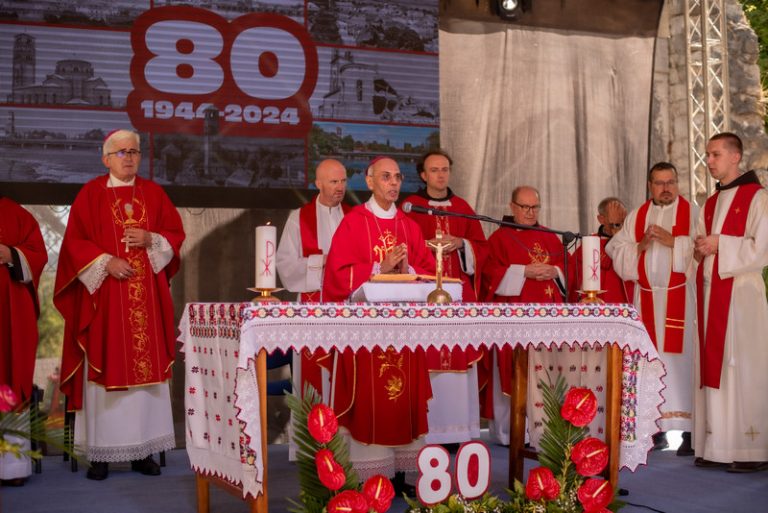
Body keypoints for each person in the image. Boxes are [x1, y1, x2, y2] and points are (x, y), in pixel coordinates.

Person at [54, 129, 185, 481]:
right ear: (106, 158)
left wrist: (151, 238)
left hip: (146, 300)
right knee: (105, 369)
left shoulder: (153, 193)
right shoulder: (91, 194)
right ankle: (101, 455)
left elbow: (175, 235)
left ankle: (143, 453)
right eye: (122, 152)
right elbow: (73, 244)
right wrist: (105, 262)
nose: (129, 157)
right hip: (106, 303)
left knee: (145, 381)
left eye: (135, 152)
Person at [322, 156, 435, 489]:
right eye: (385, 177)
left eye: (398, 177)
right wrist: (379, 267)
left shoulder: (409, 226)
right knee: (372, 399)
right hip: (367, 335)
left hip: (404, 333)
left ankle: (403, 471)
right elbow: (337, 275)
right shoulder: (354, 222)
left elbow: (428, 272)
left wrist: (409, 272)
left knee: (403, 398)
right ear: (369, 182)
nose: (393, 183)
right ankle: (371, 472)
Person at [606, 162, 696, 455]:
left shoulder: (693, 213)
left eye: (671, 182)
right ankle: (654, 429)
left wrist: (675, 243)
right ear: (650, 185)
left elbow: (703, 248)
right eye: (659, 183)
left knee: (682, 364)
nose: (666, 188)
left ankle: (689, 433)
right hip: (645, 300)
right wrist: (640, 246)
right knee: (647, 363)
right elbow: (615, 249)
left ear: (678, 182)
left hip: (681, 299)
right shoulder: (637, 216)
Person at [693, 132, 768, 472]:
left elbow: (761, 248)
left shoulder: (758, 198)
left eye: (715, 154)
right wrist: (701, 249)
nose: (709, 161)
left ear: (735, 156)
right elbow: (701, 248)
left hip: (741, 295)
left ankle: (750, 450)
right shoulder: (709, 203)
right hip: (713, 294)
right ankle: (717, 445)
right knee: (717, 367)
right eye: (707, 155)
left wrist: (719, 243)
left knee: (743, 368)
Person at [402, 149, 486, 446]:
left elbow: (482, 247)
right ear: (423, 175)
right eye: (434, 170)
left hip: (458, 294)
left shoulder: (462, 207)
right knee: (427, 357)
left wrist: (462, 244)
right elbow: (401, 245)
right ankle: (427, 429)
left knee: (458, 358)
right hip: (424, 294)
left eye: (445, 169)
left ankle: (456, 430)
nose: (441, 174)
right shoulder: (411, 207)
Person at [480, 186, 565, 447]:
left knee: (544, 371)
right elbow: (489, 275)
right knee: (514, 370)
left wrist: (555, 271)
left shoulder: (551, 237)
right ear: (512, 206)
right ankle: (510, 431)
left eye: (534, 207)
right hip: (514, 320)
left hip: (547, 318)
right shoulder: (500, 239)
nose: (530, 213)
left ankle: (543, 427)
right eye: (525, 207)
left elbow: (567, 271)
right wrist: (522, 272)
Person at [276, 158, 351, 399]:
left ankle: (345, 434)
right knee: (313, 374)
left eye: (343, 181)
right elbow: (286, 264)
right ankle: (310, 434)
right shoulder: (299, 218)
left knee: (346, 371)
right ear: (318, 183)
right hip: (313, 302)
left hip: (349, 306)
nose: (340, 187)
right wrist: (322, 261)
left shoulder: (356, 217)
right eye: (333, 181)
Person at [0, 197, 47, 486]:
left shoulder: (15, 213)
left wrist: (10, 254)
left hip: (11, 312)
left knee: (11, 378)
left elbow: (38, 255)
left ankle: (12, 467)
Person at [568, 197, 631, 303]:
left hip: (621, 304)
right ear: (601, 219)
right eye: (614, 222)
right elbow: (573, 275)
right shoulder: (589, 244)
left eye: (623, 220)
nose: (621, 225)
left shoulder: (630, 243)